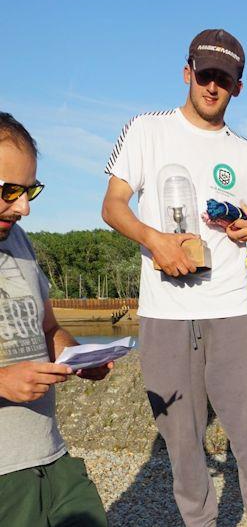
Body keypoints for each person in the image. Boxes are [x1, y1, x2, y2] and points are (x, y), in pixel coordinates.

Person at [101, 29, 247, 526]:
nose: (212, 86)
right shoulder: (146, 129)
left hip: (235, 312)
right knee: (183, 451)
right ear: (187, 72)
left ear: (238, 88)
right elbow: (113, 206)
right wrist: (154, 240)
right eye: (205, 74)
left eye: (224, 78)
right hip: (165, 314)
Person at [0, 112, 112, 526]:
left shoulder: (18, 239)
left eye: (30, 191)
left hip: (51, 457)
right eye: (9, 191)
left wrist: (78, 358)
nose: (23, 207)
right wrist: (3, 381)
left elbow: (47, 329)